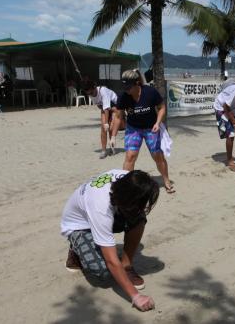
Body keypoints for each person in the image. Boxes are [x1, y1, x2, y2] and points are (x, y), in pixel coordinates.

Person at [61, 169, 158, 311]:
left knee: (138, 219)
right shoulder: (101, 207)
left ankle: (126, 266)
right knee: (103, 271)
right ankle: (75, 248)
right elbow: (112, 262)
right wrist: (136, 296)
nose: (144, 207)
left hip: (111, 207)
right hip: (79, 226)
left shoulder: (130, 179)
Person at [111, 69, 174, 193]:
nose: (126, 90)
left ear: (137, 83)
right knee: (130, 156)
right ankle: (126, 186)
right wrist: (113, 136)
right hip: (133, 129)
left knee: (158, 157)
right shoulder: (123, 96)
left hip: (151, 128)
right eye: (125, 87)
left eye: (129, 87)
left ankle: (166, 180)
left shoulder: (150, 92)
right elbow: (118, 117)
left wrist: (157, 122)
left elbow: (162, 108)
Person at [86, 81, 123, 159]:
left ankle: (112, 148)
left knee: (110, 127)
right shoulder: (90, 94)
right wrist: (104, 123)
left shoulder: (103, 91)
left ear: (94, 87)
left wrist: (107, 122)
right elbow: (100, 106)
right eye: (89, 94)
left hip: (115, 106)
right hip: (104, 107)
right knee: (103, 128)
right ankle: (103, 150)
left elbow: (107, 109)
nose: (91, 95)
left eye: (92, 92)